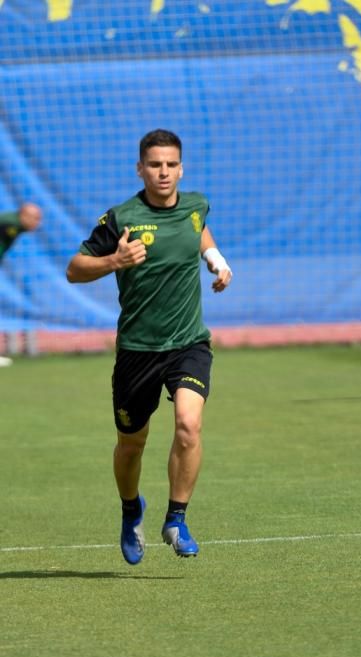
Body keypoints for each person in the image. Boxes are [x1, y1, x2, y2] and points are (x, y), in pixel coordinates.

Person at [66, 129, 233, 565]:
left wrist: (215, 258)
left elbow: (198, 230)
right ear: (140, 168)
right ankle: (130, 509)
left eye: (171, 164)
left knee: (188, 426)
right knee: (131, 445)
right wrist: (113, 262)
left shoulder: (196, 206)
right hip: (138, 351)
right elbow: (74, 269)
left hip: (188, 344)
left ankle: (176, 518)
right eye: (155, 164)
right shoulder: (121, 218)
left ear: (182, 168)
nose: (163, 172)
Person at [0, 203, 43, 367]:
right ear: (23, 215)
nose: (38, 223)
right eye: (35, 218)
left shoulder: (15, 226)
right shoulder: (11, 223)